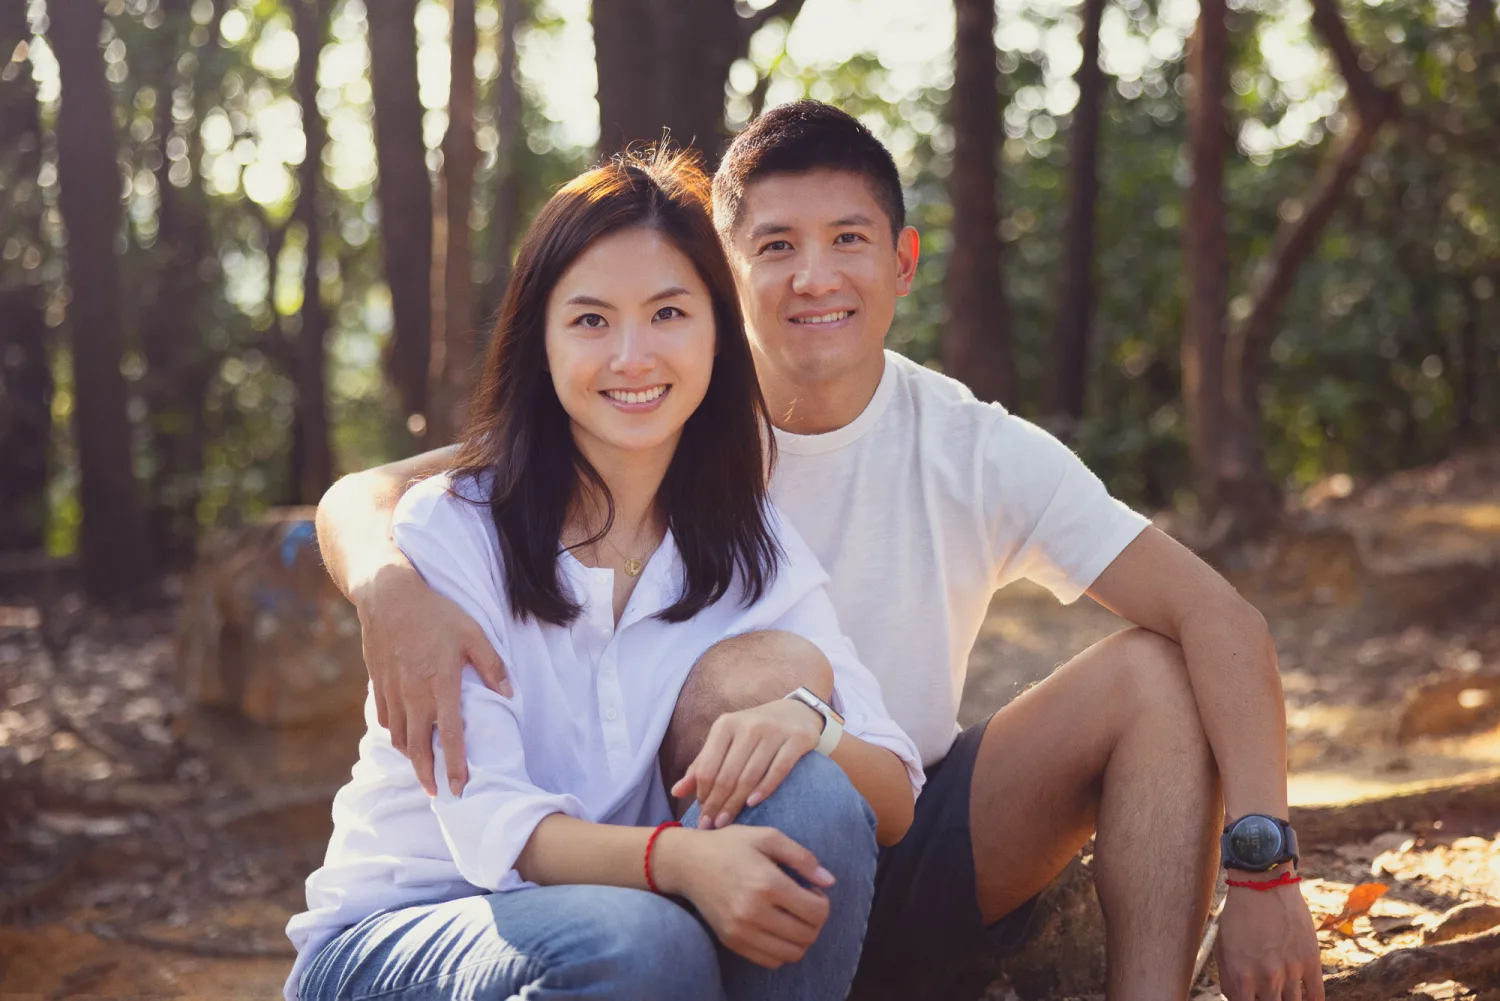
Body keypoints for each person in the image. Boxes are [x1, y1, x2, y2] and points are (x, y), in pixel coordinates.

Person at [316, 102, 1324, 1001]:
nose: (815, 277)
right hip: (639, 871)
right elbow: (383, 493)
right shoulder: (622, 422)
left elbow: (1218, 617)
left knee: (1132, 672)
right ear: (725, 261)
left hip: (874, 833)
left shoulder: (850, 489)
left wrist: (1265, 870)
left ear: (902, 260)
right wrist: (387, 584)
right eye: (777, 245)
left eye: (848, 239)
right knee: (680, 862)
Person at [287, 149, 923, 1001]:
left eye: (668, 312)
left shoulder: (747, 541)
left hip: (626, 922)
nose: (632, 356)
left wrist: (814, 723)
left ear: (717, 332)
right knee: (647, 942)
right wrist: (679, 858)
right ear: (540, 341)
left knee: (814, 800)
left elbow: (892, 793)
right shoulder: (451, 529)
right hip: (398, 938)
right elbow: (493, 824)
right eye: (591, 321)